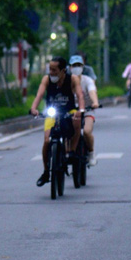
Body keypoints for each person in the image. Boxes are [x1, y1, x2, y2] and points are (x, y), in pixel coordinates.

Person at [29, 56, 85, 186]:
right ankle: (46, 171)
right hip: (52, 112)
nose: (52, 72)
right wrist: (33, 108)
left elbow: (80, 95)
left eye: (54, 70)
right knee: (47, 140)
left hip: (68, 111)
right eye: (50, 69)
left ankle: (72, 150)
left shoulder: (72, 79)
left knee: (77, 121)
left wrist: (80, 110)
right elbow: (39, 95)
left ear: (63, 70)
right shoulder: (46, 79)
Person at [69, 55, 100, 166]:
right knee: (66, 131)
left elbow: (92, 92)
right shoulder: (66, 81)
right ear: (70, 67)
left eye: (79, 65)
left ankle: (91, 153)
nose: (77, 67)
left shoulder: (88, 80)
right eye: (74, 65)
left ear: (83, 67)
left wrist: (95, 102)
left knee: (86, 131)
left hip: (87, 110)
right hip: (71, 112)